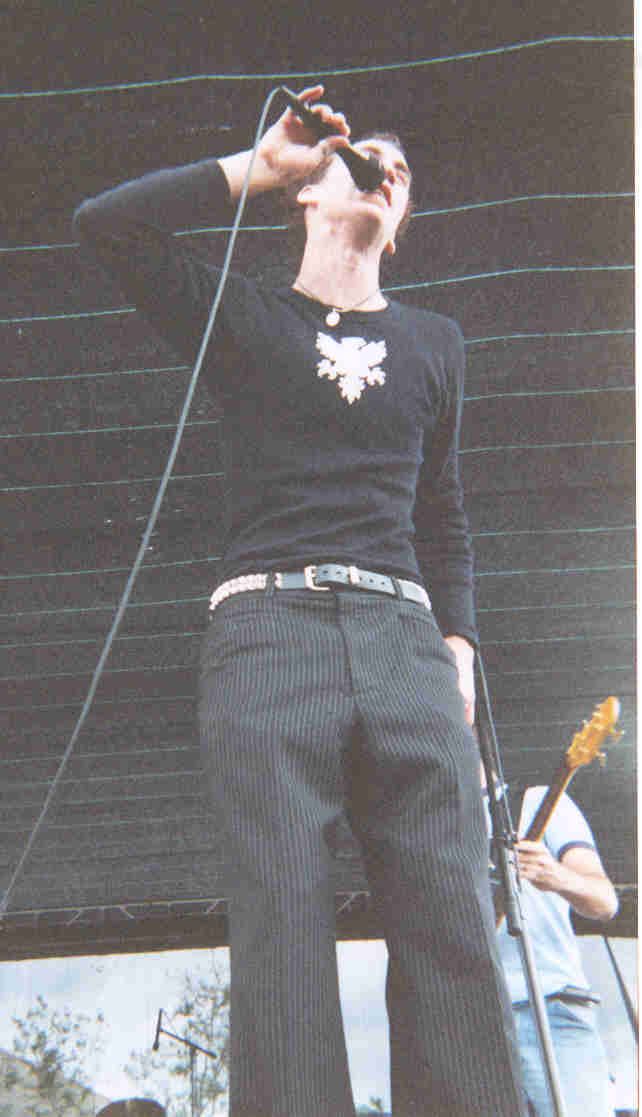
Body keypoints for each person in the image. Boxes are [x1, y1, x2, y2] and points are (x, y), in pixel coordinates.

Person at [73, 86, 526, 1117]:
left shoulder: (437, 342)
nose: (385, 168)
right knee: (281, 923)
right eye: (365, 158)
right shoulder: (247, 317)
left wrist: (458, 646)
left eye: (400, 170)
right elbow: (107, 226)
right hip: (269, 630)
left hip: (405, 633)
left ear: (398, 221)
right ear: (312, 198)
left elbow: (444, 510)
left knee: (453, 921)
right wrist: (258, 167)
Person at [484, 778, 618, 1116]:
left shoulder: (535, 802)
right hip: (472, 1021)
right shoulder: (430, 821)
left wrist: (555, 875)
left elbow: (604, 901)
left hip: (551, 1009)